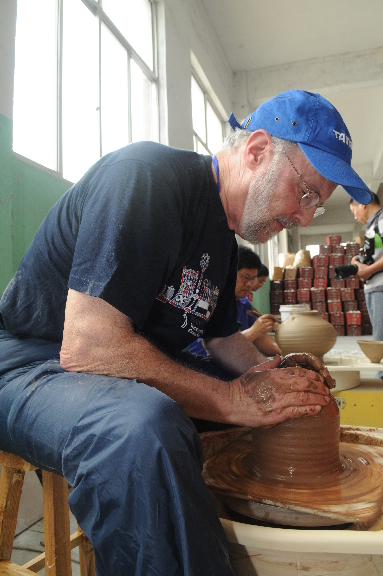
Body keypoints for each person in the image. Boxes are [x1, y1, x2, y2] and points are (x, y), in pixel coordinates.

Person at [0, 90, 373, 576]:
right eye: (305, 193)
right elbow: (89, 344)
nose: (304, 216)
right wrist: (231, 399)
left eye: (317, 206)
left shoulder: (222, 239)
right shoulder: (148, 178)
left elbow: (220, 340)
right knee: (142, 431)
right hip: (30, 362)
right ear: (257, 150)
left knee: (271, 413)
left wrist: (271, 373)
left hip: (110, 372)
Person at [189, 247, 282, 357]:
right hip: (204, 366)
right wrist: (253, 332)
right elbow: (204, 348)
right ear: (229, 272)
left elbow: (260, 338)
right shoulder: (207, 302)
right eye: (245, 277)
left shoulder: (244, 304)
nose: (249, 284)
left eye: (253, 279)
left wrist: (283, 353)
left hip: (235, 363)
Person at [349, 192, 383, 378]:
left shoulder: (382, 220)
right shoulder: (373, 226)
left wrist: (368, 270)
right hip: (375, 287)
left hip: (381, 288)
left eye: (354, 211)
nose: (355, 217)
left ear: (363, 203)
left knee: (381, 343)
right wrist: (361, 263)